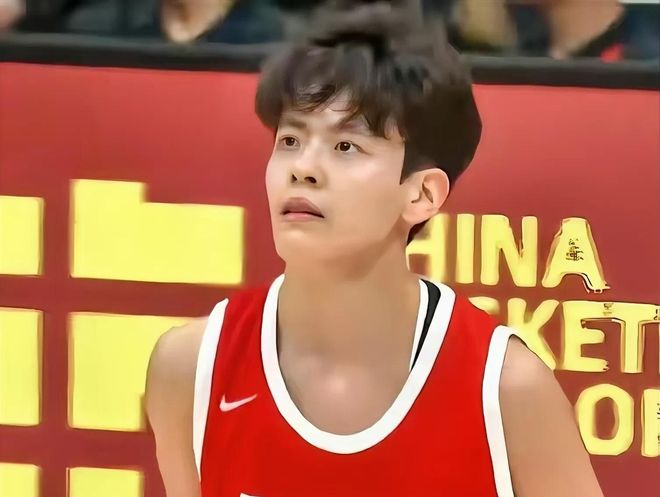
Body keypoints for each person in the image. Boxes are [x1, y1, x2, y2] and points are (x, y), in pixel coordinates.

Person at [145, 2, 605, 496]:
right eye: (290, 140)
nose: (303, 169)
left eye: (346, 147)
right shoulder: (190, 368)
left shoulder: (507, 389)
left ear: (422, 194)